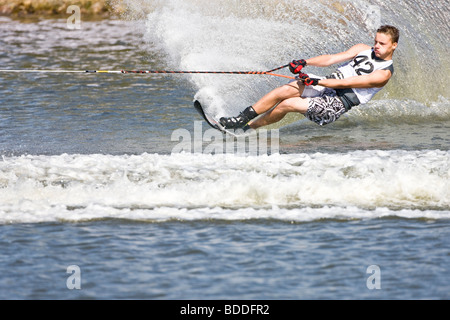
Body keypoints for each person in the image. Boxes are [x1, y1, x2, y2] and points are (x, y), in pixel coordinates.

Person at [219, 25, 399, 130]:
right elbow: (330, 59)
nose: (376, 46)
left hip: (335, 104)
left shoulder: (383, 74)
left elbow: (346, 82)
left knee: (287, 104)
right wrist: (304, 62)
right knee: (286, 89)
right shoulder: (362, 48)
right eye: (375, 41)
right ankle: (240, 119)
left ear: (393, 46)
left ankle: (247, 129)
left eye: (381, 44)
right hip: (326, 86)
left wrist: (317, 81)